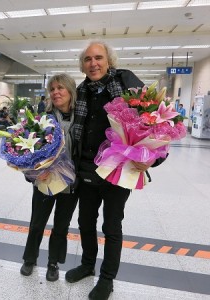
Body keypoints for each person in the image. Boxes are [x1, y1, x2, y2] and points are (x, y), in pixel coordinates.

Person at [65, 41, 162, 300]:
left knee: (111, 225)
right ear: (82, 64)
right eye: (87, 59)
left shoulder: (125, 82)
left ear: (109, 61)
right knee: (85, 221)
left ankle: (107, 278)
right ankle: (87, 265)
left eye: (98, 58)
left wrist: (153, 158)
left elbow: (156, 121)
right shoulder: (81, 90)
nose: (93, 63)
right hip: (87, 169)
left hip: (119, 170)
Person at [20, 73, 78, 282]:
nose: (55, 92)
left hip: (71, 182)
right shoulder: (42, 116)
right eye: (52, 89)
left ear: (71, 91)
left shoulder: (81, 116)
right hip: (45, 179)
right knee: (37, 222)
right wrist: (35, 171)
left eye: (60, 88)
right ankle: (30, 258)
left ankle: (53, 263)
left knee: (61, 226)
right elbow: (27, 150)